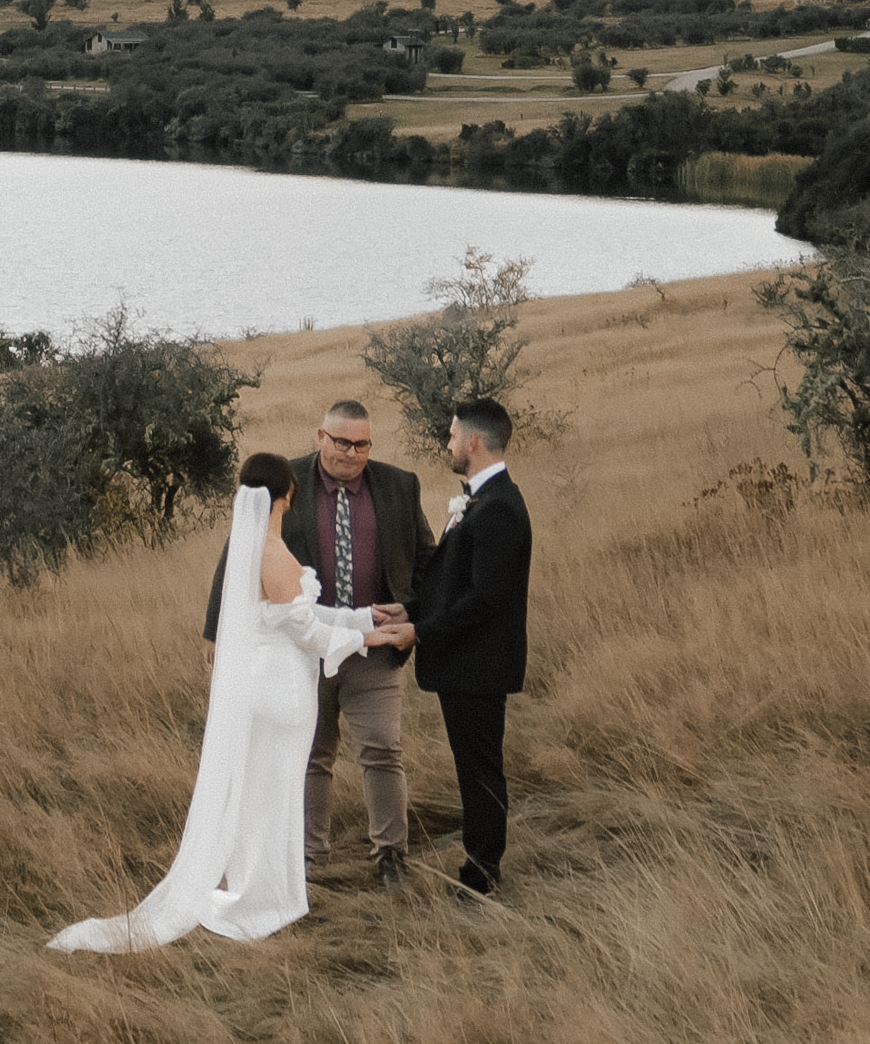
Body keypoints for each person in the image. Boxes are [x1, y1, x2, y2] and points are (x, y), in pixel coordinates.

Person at [51, 456, 382, 952]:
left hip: (263, 688)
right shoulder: (273, 551)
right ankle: (260, 903)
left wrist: (362, 618)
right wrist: (368, 640)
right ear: (286, 496)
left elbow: (298, 612)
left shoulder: (254, 551)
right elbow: (307, 631)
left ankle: (261, 895)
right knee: (273, 799)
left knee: (259, 798)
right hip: (281, 693)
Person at [203, 399, 428, 890]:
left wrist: (410, 612)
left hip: (378, 650)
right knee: (310, 755)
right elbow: (237, 553)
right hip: (302, 654)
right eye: (342, 442)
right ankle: (308, 860)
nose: (352, 452)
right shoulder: (286, 482)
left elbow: (426, 559)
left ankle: (392, 857)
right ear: (321, 436)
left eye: (362, 444)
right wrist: (217, 629)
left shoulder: (398, 485)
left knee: (383, 749)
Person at [401, 398, 532, 896]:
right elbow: (452, 584)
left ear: (474, 441)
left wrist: (420, 633)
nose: (448, 443)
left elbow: (484, 600)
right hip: (466, 665)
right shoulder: (481, 500)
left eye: (453, 435)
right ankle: (480, 866)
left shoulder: (498, 508)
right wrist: (410, 613)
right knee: (474, 767)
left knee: (479, 772)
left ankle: (482, 874)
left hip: (478, 667)